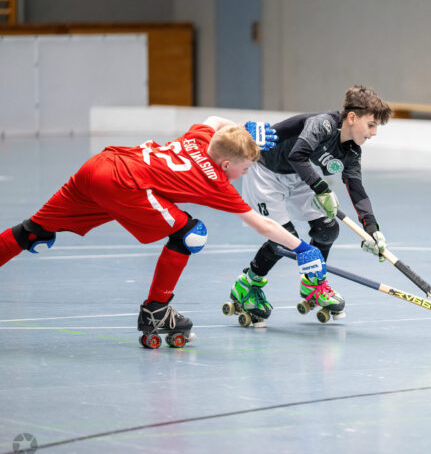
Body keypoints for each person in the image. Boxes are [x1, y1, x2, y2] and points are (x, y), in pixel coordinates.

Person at [0, 117, 331, 347]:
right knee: (191, 233)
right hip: (124, 183)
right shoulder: (216, 181)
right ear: (227, 165)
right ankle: (156, 310)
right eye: (245, 168)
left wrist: (242, 129)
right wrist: (303, 248)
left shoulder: (202, 141)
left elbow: (215, 120)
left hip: (100, 165)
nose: (245, 175)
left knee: (32, 232)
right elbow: (263, 224)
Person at [230, 85, 392, 323]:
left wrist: (372, 230)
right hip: (266, 172)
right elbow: (298, 154)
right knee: (285, 239)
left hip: (298, 176)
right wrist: (321, 188)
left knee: (327, 229)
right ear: (352, 117)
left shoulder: (352, 151)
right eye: (371, 125)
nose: (374, 133)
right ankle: (248, 285)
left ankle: (313, 284)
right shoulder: (323, 124)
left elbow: (357, 189)